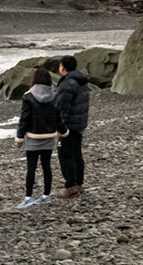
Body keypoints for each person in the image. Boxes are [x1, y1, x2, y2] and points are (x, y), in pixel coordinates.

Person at [14, 68, 60, 207]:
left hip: (33, 137)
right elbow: (58, 116)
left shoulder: (28, 96)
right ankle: (46, 195)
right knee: (47, 166)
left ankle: (28, 198)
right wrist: (63, 132)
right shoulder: (55, 95)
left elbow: (25, 119)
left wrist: (19, 137)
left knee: (31, 167)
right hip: (50, 136)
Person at [53, 53, 90, 198]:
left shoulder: (68, 84)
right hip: (80, 123)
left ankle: (71, 186)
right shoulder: (81, 81)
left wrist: (60, 128)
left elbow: (63, 108)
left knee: (66, 155)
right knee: (76, 153)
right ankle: (78, 184)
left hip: (69, 125)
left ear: (63, 67)